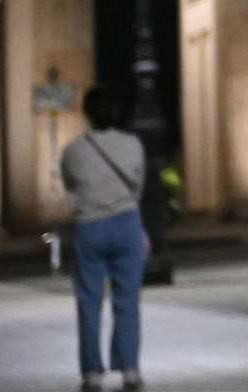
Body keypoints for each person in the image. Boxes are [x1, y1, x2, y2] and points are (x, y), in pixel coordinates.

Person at [60, 87, 148, 392]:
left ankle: (91, 373)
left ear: (87, 114)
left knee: (88, 301)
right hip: (126, 223)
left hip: (90, 226)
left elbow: (69, 185)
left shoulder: (73, 151)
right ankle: (130, 369)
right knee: (127, 301)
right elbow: (139, 185)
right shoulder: (133, 145)